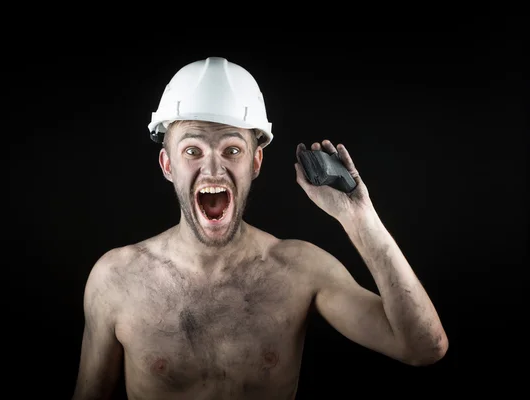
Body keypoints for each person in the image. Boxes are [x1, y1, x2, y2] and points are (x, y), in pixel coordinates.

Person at [71, 57, 448, 400]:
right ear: (168, 165)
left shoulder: (301, 271)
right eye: (192, 151)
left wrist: (359, 218)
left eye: (232, 150)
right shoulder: (115, 279)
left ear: (255, 162)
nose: (214, 169)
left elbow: (423, 347)